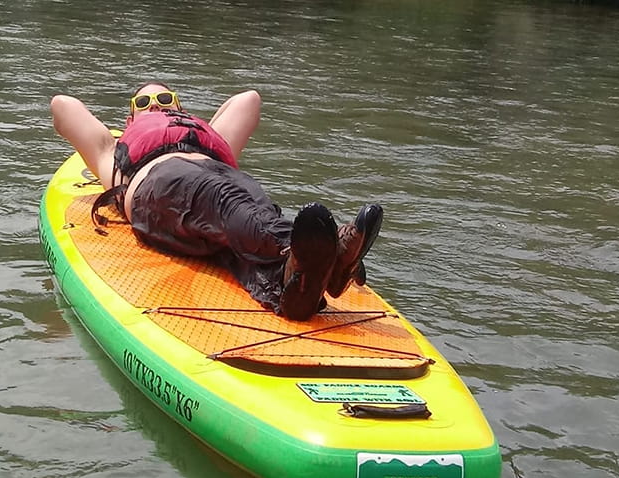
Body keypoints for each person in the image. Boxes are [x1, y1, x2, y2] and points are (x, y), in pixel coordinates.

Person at [50, 82, 382, 321]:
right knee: (228, 202)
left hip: (217, 190)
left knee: (248, 217)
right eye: (143, 102)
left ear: (179, 107)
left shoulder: (209, 138)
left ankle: (294, 284)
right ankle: (320, 255)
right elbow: (62, 106)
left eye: (164, 98)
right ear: (130, 119)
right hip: (160, 185)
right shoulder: (110, 150)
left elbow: (249, 100)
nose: (155, 105)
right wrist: (135, 128)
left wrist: (194, 126)